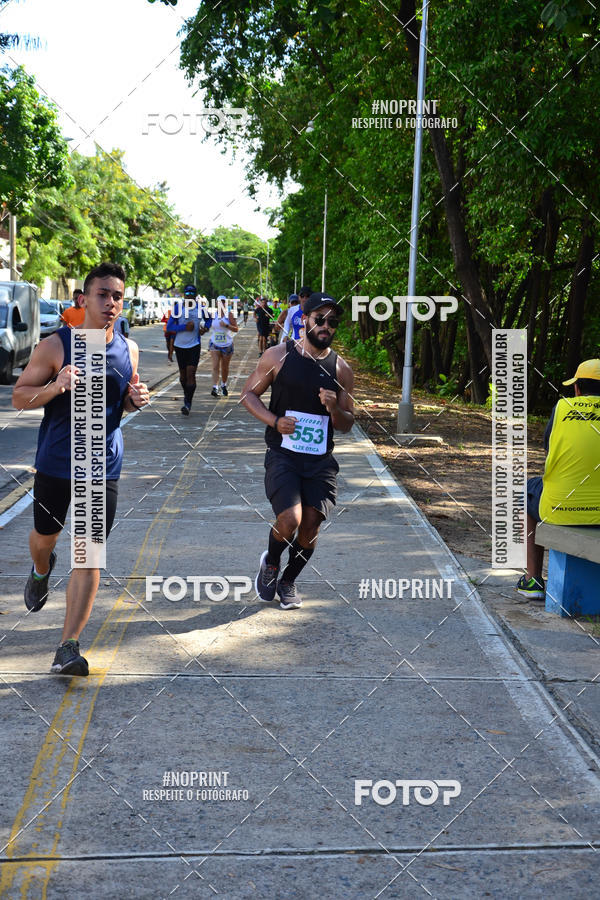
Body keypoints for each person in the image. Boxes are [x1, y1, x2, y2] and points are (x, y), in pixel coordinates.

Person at [12, 262, 150, 675]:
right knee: (44, 540)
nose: (111, 303)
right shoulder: (57, 346)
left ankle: (68, 646)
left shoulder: (129, 349)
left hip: (101, 465)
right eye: (103, 295)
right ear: (84, 299)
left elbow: (120, 403)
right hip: (56, 463)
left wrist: (133, 400)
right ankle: (40, 570)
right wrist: (55, 386)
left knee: (88, 554)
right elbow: (20, 397)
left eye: (117, 296)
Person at [241, 292, 354, 610]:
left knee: (311, 524)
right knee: (290, 518)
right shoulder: (278, 356)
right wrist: (275, 421)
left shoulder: (341, 370)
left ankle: (288, 580)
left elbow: (347, 423)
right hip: (284, 455)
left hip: (319, 461)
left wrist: (334, 409)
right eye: (320, 319)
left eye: (333, 322)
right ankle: (272, 562)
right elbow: (248, 394)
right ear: (304, 320)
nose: (326, 326)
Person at [517, 359, 600, 599]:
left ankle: (532, 580)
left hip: (561, 508)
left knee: (529, 490)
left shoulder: (562, 407)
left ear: (577, 389)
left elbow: (549, 448)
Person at [166, 284, 209, 416]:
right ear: (184, 296)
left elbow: (209, 320)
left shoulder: (201, 308)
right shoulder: (178, 308)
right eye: (187, 295)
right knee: (183, 377)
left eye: (192, 295)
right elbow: (169, 326)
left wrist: (205, 328)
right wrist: (184, 327)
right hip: (180, 346)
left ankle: (187, 404)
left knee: (191, 374)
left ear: (195, 296)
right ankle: (187, 395)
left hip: (194, 345)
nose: (189, 297)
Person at [207, 294, 239, 397]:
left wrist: (226, 325)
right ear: (216, 303)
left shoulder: (229, 315)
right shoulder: (214, 314)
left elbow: (236, 329)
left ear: (226, 303)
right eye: (219, 302)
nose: (221, 303)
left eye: (223, 302)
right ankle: (215, 388)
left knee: (224, 367)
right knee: (215, 366)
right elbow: (209, 326)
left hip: (227, 344)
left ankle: (223, 385)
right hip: (214, 343)